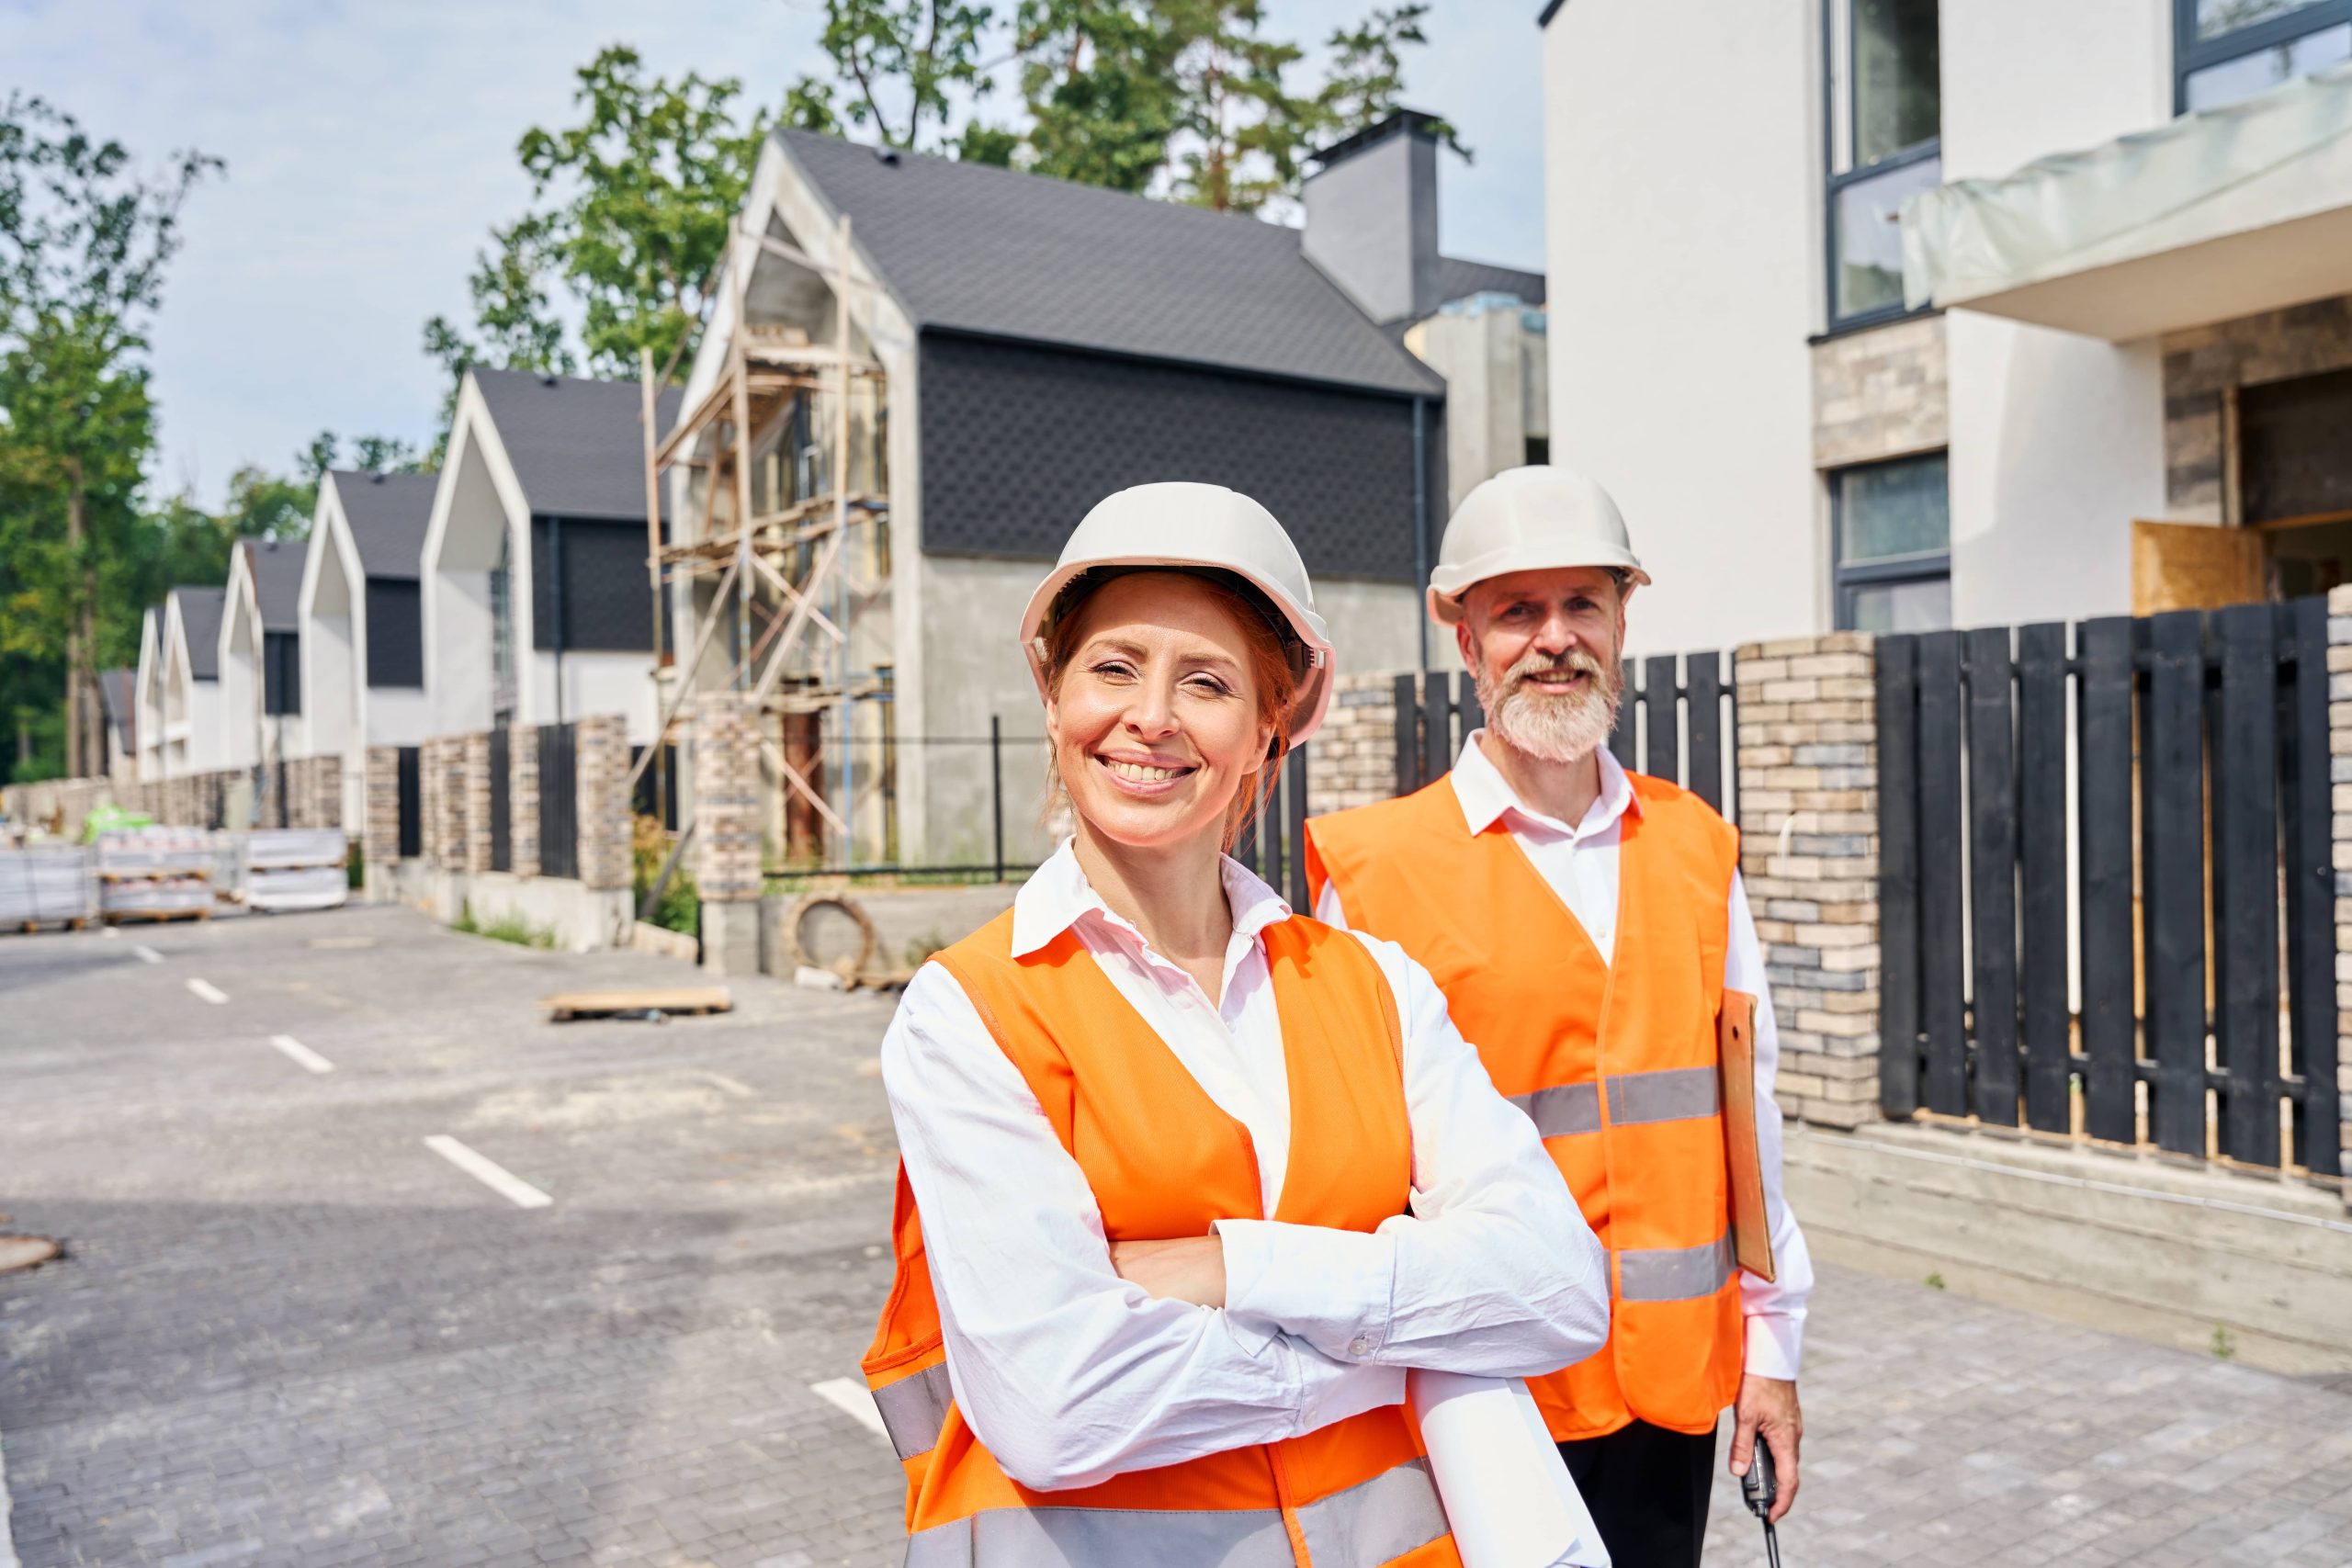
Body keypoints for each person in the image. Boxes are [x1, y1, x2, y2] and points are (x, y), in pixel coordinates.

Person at [861, 481, 1611, 1566]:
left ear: (1270, 730)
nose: (1150, 717)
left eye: (1206, 683)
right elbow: (1057, 1404)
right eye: (1112, 667)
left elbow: (1559, 1292)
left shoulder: (1373, 986)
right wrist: (1399, 1330)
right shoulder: (967, 1013)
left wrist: (1234, 1268)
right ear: (1055, 697)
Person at [1305, 465, 1815, 1568]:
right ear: (1467, 641)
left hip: (1669, 1394)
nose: (1554, 638)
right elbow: (1346, 1170)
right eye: (1516, 611)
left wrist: (1770, 1347)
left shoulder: (1695, 845)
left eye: (1582, 603)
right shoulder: (1375, 872)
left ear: (1623, 618)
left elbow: (1747, 1117)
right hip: (1479, 1391)